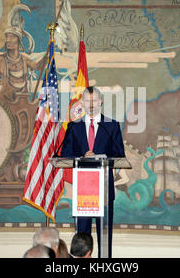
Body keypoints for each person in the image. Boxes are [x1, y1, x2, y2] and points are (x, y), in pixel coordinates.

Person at [61, 86, 125, 258]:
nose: (91, 104)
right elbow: (65, 155)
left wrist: (100, 157)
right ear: (82, 102)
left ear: (100, 102)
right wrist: (82, 156)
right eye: (87, 100)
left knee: (105, 236)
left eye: (94, 100)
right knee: (82, 236)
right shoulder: (74, 127)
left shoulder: (111, 126)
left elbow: (120, 154)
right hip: (84, 190)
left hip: (104, 189)